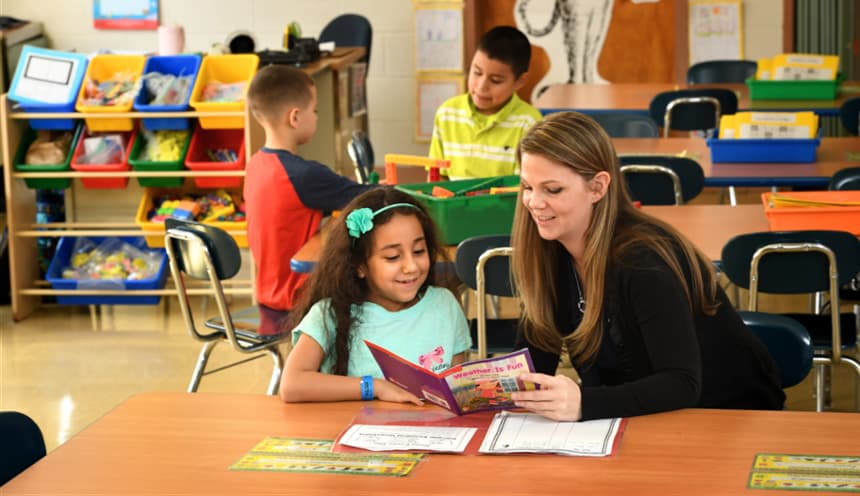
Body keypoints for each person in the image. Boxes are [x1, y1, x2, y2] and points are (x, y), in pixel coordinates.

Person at [508, 111, 785, 421]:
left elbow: (681, 383)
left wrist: (584, 403)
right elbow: (534, 361)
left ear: (598, 187)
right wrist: (484, 389)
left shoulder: (643, 261)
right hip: (642, 417)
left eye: (553, 190)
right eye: (527, 187)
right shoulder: (551, 251)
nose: (533, 202)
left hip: (727, 417)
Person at [279, 188, 472, 403]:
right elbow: (291, 385)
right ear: (360, 265)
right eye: (393, 257)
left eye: (418, 251)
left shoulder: (444, 304)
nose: (411, 266)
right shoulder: (330, 314)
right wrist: (376, 387)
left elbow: (457, 389)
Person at [245, 65, 375, 334]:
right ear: (295, 117)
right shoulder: (303, 175)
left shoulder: (256, 165)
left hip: (267, 293)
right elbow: (371, 197)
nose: (316, 116)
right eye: (315, 110)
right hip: (301, 296)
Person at [428, 25, 542, 179]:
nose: (481, 87)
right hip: (452, 203)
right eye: (477, 72)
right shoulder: (447, 114)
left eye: (495, 80)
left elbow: (527, 186)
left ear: (520, 81)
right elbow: (436, 176)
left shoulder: (529, 123)